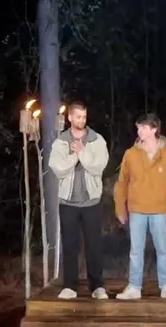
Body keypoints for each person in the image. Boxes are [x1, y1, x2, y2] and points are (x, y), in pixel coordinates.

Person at [113, 113, 166, 300]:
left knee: (162, 249)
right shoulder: (131, 154)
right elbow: (121, 183)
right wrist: (120, 208)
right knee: (136, 250)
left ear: (154, 129)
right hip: (137, 209)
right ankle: (134, 287)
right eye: (138, 127)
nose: (139, 131)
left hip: (159, 210)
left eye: (144, 128)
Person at [48, 101, 111, 299]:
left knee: (94, 245)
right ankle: (70, 286)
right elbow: (57, 168)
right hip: (68, 202)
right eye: (78, 117)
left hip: (91, 201)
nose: (82, 120)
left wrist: (83, 152)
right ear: (70, 117)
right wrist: (74, 157)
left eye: (84, 117)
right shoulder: (61, 142)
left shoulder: (96, 140)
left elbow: (98, 167)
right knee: (70, 245)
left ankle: (97, 286)